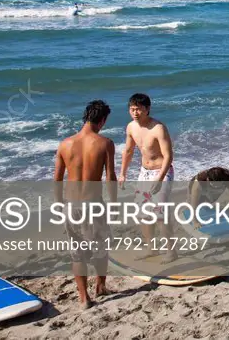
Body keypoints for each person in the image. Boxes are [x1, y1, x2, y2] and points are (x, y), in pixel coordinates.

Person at [53, 100, 117, 309]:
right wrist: (114, 203)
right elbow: (110, 177)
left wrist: (58, 204)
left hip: (71, 205)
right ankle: (101, 286)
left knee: (77, 253)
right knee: (101, 249)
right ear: (103, 120)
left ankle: (84, 299)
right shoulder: (105, 143)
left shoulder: (65, 144)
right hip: (94, 205)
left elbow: (57, 179)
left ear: (86, 117)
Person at [119, 93, 175, 256]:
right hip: (144, 172)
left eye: (138, 109)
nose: (135, 113)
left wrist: (160, 179)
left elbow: (168, 156)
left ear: (147, 109)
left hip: (162, 172)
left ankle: (171, 251)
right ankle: (152, 248)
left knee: (159, 214)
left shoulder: (158, 128)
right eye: (132, 109)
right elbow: (128, 151)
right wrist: (123, 173)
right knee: (143, 214)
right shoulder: (131, 127)